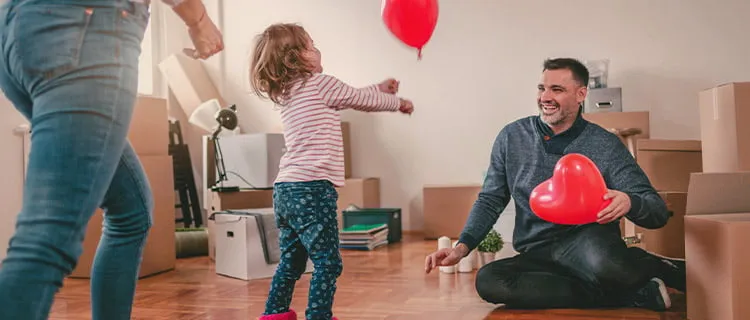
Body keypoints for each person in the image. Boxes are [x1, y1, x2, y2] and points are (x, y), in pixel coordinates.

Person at [0, 0, 223, 319]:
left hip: (17, 30)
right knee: (47, 237)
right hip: (86, 30)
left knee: (131, 208)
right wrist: (198, 20)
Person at [424, 58, 686, 311]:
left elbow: (656, 212)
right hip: (536, 250)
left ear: (581, 94)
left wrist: (631, 201)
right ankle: (627, 293)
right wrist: (462, 247)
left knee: (609, 266)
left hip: (589, 247)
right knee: (490, 281)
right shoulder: (511, 137)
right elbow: (490, 199)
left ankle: (653, 267)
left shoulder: (605, 145)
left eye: (557, 89)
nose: (545, 97)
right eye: (542, 88)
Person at [249, 23, 414, 320]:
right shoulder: (321, 83)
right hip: (312, 188)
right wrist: (396, 102)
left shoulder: (288, 93)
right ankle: (319, 315)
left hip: (285, 188)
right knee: (327, 261)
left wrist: (378, 88)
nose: (318, 50)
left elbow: (350, 95)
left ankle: (274, 313)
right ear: (294, 58)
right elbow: (358, 99)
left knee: (291, 260)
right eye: (311, 45)